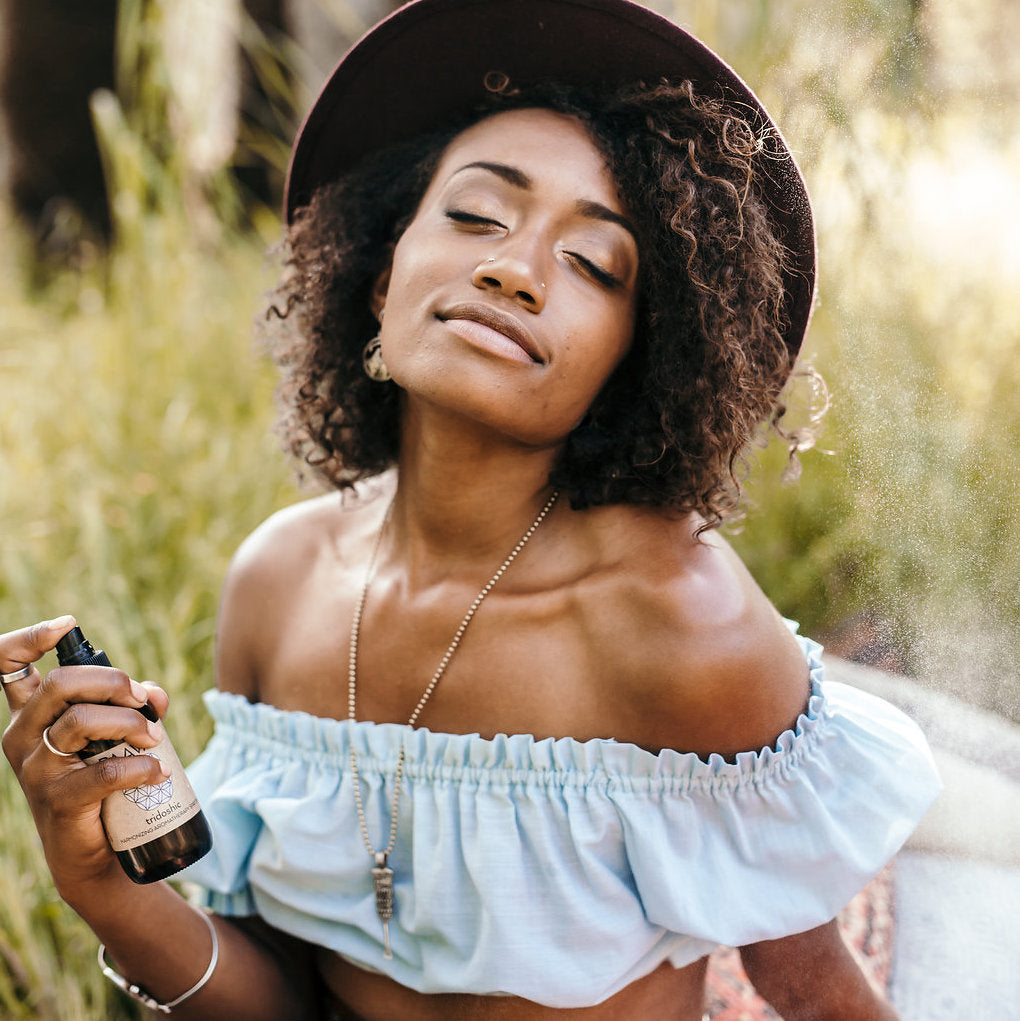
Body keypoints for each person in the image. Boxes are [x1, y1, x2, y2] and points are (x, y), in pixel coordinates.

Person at [1, 1, 941, 1018]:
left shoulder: (677, 622)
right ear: (380, 268)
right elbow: (281, 998)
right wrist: (98, 886)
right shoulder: (278, 585)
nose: (512, 269)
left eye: (593, 264)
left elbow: (809, 988)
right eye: (475, 215)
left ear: (644, 354)